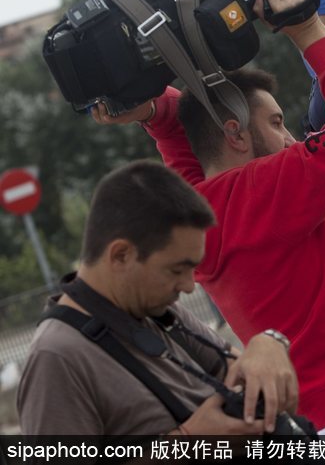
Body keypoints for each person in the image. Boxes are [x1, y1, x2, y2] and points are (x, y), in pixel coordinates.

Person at [91, 0, 325, 463]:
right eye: (276, 123)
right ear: (235, 134)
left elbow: (183, 135)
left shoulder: (197, 212)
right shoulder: (263, 190)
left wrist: (150, 109)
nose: (292, 139)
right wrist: (305, 27)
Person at [18, 161, 298, 435]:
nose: (190, 286)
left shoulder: (157, 311)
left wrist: (268, 344)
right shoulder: (56, 357)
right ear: (121, 255)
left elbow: (237, 369)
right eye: (177, 269)